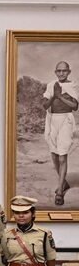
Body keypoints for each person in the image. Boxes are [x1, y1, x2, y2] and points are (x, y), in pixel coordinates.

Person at [43, 61, 78, 205]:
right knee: (54, 154)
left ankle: (59, 191)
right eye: (59, 71)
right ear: (55, 72)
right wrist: (53, 96)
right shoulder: (51, 85)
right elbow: (44, 105)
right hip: (51, 120)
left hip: (66, 121)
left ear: (69, 72)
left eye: (64, 71)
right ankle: (63, 182)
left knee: (62, 155)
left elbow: (75, 106)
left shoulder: (73, 85)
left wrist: (60, 96)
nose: (61, 73)